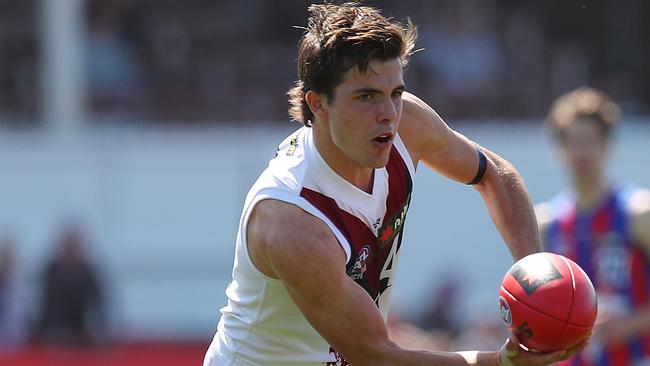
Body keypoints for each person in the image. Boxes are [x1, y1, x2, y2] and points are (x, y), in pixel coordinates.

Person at [204, 3, 586, 365]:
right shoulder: (292, 220)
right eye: (366, 97)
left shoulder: (406, 125)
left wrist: (533, 278)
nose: (388, 113)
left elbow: (495, 175)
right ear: (318, 104)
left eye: (396, 93)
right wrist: (501, 362)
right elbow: (374, 355)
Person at [536, 87, 650, 365]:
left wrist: (629, 324)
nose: (581, 151)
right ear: (559, 149)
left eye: (589, 140)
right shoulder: (546, 224)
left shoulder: (638, 212)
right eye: (573, 141)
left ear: (607, 145)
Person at [36, 225, 107, 347]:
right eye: (69, 246)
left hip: (81, 331)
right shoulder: (52, 271)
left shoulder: (88, 272)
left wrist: (99, 330)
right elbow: (46, 305)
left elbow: (99, 304)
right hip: (54, 333)